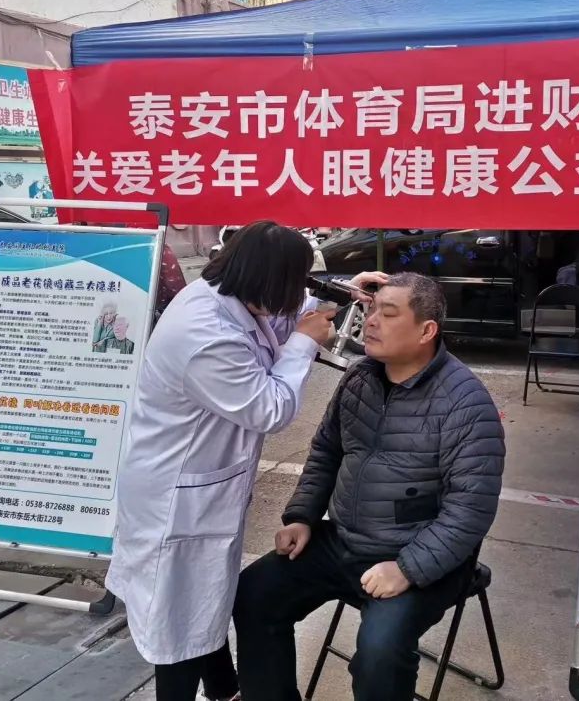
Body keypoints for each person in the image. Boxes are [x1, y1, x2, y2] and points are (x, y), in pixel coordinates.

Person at [106, 220, 386, 701]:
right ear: (267, 279)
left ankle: (224, 689)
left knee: (203, 602)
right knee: (180, 621)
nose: (297, 295)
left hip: (203, 486)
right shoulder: (203, 334)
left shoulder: (233, 295)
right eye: (293, 282)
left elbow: (283, 317)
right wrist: (304, 343)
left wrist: (342, 291)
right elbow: (269, 409)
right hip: (176, 499)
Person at [233, 272, 506, 701]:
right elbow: (327, 451)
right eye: (372, 310)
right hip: (344, 542)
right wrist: (302, 516)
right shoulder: (360, 377)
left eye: (388, 314)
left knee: (380, 653)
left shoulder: (466, 403)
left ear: (426, 331)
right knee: (253, 594)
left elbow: (470, 509)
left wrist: (408, 569)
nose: (371, 321)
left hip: (419, 557)